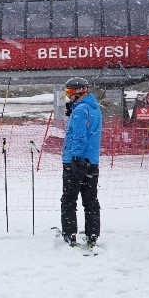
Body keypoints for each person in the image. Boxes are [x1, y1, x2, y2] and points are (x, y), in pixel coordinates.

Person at [59, 77, 103, 249]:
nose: (68, 96)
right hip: (92, 162)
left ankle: (69, 233)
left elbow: (79, 136)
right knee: (90, 199)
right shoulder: (94, 109)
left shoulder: (80, 110)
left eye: (69, 92)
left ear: (79, 92)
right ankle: (92, 234)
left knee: (69, 199)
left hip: (75, 162)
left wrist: (76, 157)